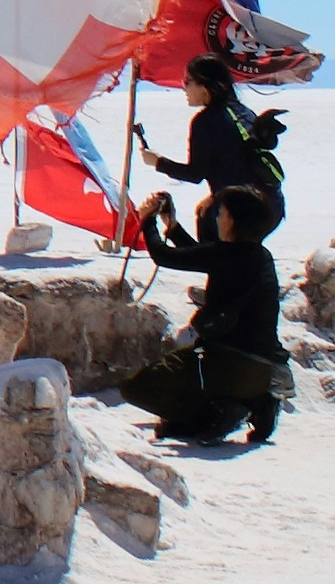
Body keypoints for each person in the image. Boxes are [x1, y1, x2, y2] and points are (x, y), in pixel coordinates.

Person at [120, 55, 294, 445]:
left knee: (223, 273)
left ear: (206, 86)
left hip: (235, 206)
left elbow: (196, 173)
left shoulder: (206, 120)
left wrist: (156, 165)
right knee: (237, 276)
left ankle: (223, 391)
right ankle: (266, 380)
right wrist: (175, 224)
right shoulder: (240, 111)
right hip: (262, 210)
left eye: (187, 82)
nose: (184, 89)